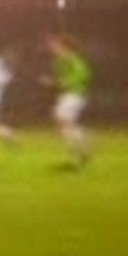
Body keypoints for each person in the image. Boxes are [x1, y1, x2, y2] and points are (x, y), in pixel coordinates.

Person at [45, 34, 93, 167]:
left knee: (63, 121)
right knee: (63, 124)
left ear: (64, 46)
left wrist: (62, 83)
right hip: (65, 95)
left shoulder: (73, 59)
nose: (52, 48)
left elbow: (83, 75)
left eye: (54, 45)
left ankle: (83, 144)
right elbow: (59, 79)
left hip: (75, 95)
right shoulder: (58, 62)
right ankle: (81, 151)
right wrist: (52, 82)